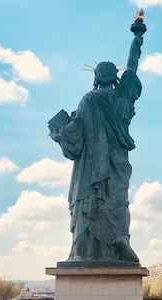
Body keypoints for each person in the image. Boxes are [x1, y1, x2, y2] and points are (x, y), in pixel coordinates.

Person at [49, 13, 146, 265]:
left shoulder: (88, 100)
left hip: (91, 170)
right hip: (117, 164)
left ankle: (84, 251)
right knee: (117, 200)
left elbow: (73, 138)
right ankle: (119, 237)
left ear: (95, 77)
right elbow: (132, 64)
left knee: (89, 203)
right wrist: (137, 37)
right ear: (115, 77)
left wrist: (59, 133)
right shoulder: (124, 96)